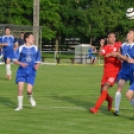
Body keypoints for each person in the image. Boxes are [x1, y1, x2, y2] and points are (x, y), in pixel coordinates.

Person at [89, 32, 122, 114]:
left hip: (115, 72)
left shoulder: (118, 45)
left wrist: (114, 54)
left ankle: (95, 108)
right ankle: (110, 100)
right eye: (111, 37)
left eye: (114, 37)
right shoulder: (106, 47)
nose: (113, 38)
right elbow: (100, 54)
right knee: (102, 91)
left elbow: (121, 54)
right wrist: (101, 45)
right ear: (108, 39)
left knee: (105, 87)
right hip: (106, 72)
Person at [106, 30, 134, 116]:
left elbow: (128, 59)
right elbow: (121, 57)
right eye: (128, 33)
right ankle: (116, 110)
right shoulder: (123, 46)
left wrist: (118, 55)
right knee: (119, 88)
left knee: (129, 94)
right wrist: (117, 56)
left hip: (133, 71)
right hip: (124, 71)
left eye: (130, 33)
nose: (128, 34)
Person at [13, 32, 41, 111]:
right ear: (27, 39)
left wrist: (37, 66)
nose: (33, 39)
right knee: (20, 88)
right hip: (21, 71)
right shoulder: (21, 48)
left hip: (31, 71)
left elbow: (38, 59)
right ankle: (20, 106)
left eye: (33, 37)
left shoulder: (35, 48)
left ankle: (30, 97)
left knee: (29, 90)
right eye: (32, 37)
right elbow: (14, 60)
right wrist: (20, 63)